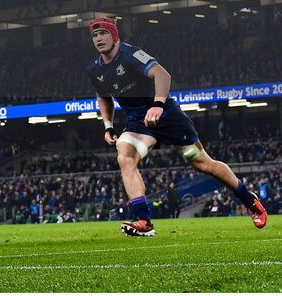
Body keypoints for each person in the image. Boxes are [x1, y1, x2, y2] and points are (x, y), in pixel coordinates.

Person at [85, 16, 268, 237]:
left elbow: (162, 74)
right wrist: (108, 125)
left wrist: (158, 104)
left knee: (202, 163)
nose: (99, 39)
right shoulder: (94, 69)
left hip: (168, 115)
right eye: (94, 35)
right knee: (125, 156)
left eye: (103, 33)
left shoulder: (132, 54)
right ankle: (144, 220)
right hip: (139, 122)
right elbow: (103, 97)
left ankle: (250, 200)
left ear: (114, 35)